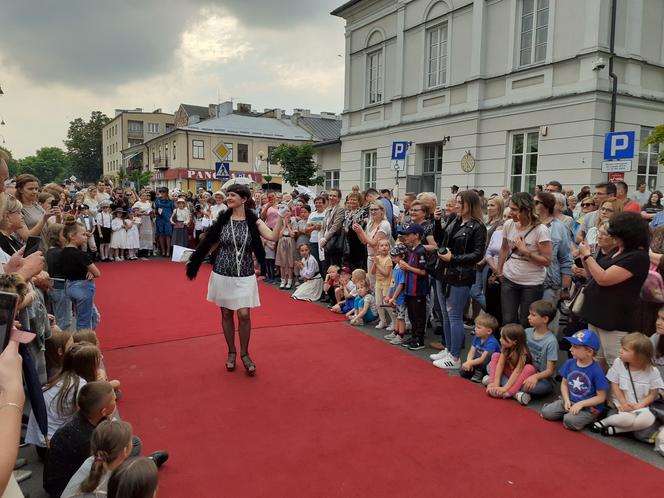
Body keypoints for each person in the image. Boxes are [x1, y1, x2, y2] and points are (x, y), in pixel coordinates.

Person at [186, 184, 283, 376]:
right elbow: (211, 244)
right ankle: (231, 352)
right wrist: (194, 257)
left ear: (244, 199)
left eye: (232, 195)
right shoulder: (222, 220)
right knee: (226, 314)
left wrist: (281, 219)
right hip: (222, 272)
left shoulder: (253, 220)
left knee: (244, 314)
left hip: (245, 273)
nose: (228, 198)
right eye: (227, 195)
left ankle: (245, 354)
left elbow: (272, 236)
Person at [576, 213, 650, 369]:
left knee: (616, 362)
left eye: (615, 232)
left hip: (614, 318)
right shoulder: (618, 250)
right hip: (596, 314)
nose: (611, 235)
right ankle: (601, 392)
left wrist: (588, 256)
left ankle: (617, 394)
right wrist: (584, 257)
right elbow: (593, 275)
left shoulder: (637, 257)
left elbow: (604, 278)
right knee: (596, 358)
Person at [432, 190, 487, 369]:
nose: (456, 206)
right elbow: (441, 240)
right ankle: (449, 348)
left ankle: (455, 357)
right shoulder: (455, 220)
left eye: (459, 203)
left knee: (454, 315)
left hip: (460, 274)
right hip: (444, 271)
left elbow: (478, 254)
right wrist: (436, 222)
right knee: (445, 313)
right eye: (456, 202)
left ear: (470, 205)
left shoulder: (478, 226)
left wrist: (453, 259)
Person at [25, 342, 101, 451]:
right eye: (97, 361)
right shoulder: (80, 385)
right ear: (88, 366)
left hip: (42, 443)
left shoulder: (61, 376)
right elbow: (91, 417)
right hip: (54, 447)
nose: (101, 359)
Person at [496, 192, 552, 327]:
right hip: (510, 279)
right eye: (510, 208)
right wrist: (499, 271)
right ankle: (510, 348)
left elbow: (547, 260)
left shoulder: (540, 229)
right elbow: (504, 249)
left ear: (526, 209)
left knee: (526, 322)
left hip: (532, 283)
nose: (511, 213)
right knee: (508, 320)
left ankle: (523, 348)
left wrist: (526, 253)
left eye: (515, 209)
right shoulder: (509, 224)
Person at [592, 333, 664, 436]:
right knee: (626, 420)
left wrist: (640, 405)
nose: (620, 351)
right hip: (622, 404)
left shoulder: (653, 371)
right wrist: (623, 402)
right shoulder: (618, 362)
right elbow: (615, 384)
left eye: (625, 349)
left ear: (639, 355)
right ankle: (603, 423)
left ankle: (615, 430)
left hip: (641, 406)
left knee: (648, 419)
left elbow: (652, 395)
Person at [541, 329, 608, 431]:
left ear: (589, 352)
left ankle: (584, 417)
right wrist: (567, 399)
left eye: (575, 347)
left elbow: (601, 398)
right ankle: (566, 410)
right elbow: (564, 384)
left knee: (569, 421)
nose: (571, 349)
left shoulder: (597, 371)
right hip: (569, 400)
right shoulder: (569, 363)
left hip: (588, 408)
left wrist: (581, 404)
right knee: (546, 413)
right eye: (571, 345)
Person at [61, 420, 134, 498]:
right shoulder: (121, 484)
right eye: (130, 440)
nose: (132, 441)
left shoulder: (91, 461)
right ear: (125, 450)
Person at [534, 192, 573, 315]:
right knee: (527, 319)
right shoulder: (529, 225)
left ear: (546, 206)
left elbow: (566, 258)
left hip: (549, 282)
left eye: (536, 203)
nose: (532, 205)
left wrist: (565, 288)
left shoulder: (560, 228)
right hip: (528, 280)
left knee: (546, 319)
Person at [62, 218, 102, 330]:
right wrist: (91, 271)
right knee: (84, 321)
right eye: (83, 234)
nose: (86, 236)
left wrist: (88, 270)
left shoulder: (64, 252)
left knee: (92, 316)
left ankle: (88, 338)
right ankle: (84, 342)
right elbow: (98, 273)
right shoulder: (81, 255)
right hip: (83, 288)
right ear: (72, 236)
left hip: (69, 286)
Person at [517, 300, 558, 405]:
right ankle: (517, 393)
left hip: (542, 380)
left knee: (528, 386)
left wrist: (535, 377)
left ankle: (511, 389)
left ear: (545, 319)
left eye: (533, 315)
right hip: (524, 371)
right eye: (529, 314)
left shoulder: (551, 342)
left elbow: (550, 371)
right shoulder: (527, 332)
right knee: (493, 367)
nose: (528, 317)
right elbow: (521, 356)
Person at [484, 324, 536, 403]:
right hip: (509, 372)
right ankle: (492, 383)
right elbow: (500, 365)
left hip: (520, 375)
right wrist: (495, 384)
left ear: (515, 341)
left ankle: (510, 392)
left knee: (530, 368)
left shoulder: (522, 352)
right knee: (495, 356)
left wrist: (505, 388)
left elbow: (518, 371)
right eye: (501, 337)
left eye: (503, 338)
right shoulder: (505, 347)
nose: (500, 340)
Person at [398, 224, 428, 351]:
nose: (406, 237)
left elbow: (423, 271)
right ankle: (414, 336)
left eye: (409, 234)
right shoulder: (412, 250)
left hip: (418, 289)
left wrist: (407, 267)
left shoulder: (421, 251)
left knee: (418, 315)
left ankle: (419, 340)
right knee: (411, 314)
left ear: (416, 236)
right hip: (410, 288)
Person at [15, 173, 60, 253]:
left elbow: (53, 230)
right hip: (30, 254)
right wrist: (44, 219)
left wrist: (58, 216)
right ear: (20, 190)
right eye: (30, 189)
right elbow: (27, 237)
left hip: (45, 250)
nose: (35, 191)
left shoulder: (36, 206)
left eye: (36, 189)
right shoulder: (17, 208)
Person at [353, 200, 391, 288]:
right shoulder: (371, 223)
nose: (373, 212)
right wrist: (358, 232)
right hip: (371, 257)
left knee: (381, 285)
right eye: (371, 210)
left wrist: (361, 231)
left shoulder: (384, 224)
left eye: (375, 209)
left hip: (382, 259)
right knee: (372, 284)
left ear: (382, 211)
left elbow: (374, 243)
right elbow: (364, 241)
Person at [457, 313, 500, 383]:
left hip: (487, 363)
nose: (475, 329)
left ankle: (480, 372)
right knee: (464, 373)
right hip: (477, 360)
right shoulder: (477, 337)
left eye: (478, 328)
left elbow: (483, 359)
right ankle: (474, 369)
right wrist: (469, 362)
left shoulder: (492, 342)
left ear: (489, 331)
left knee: (487, 356)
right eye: (476, 327)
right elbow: (471, 352)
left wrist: (470, 363)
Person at [383, 245, 407, 344]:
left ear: (402, 256)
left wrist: (393, 297)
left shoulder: (402, 268)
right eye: (392, 256)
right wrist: (389, 295)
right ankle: (396, 332)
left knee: (401, 317)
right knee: (397, 315)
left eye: (395, 256)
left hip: (400, 297)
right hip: (395, 297)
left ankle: (400, 335)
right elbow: (393, 282)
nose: (392, 258)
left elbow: (401, 285)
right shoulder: (396, 267)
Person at [342, 192, 368, 271]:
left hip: (357, 243)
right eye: (350, 200)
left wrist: (349, 228)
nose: (351, 201)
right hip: (347, 242)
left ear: (359, 201)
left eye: (354, 200)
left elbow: (360, 227)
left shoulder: (362, 213)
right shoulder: (347, 213)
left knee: (356, 266)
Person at [319, 189, 345, 267]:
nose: (331, 197)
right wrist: (322, 238)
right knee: (328, 267)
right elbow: (324, 227)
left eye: (334, 196)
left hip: (334, 242)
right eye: (330, 195)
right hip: (326, 243)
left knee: (335, 267)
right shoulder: (328, 210)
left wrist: (325, 239)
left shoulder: (340, 209)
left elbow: (335, 226)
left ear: (339, 198)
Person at [371, 239, 393, 329]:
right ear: (378, 249)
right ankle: (383, 321)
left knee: (386, 303)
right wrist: (375, 263)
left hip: (386, 284)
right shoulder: (378, 258)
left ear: (389, 248)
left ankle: (394, 322)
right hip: (378, 283)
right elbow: (372, 272)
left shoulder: (388, 259)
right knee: (378, 303)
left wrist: (377, 264)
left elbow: (386, 273)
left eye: (386, 245)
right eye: (382, 246)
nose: (384, 247)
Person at [275, 206, 297, 290]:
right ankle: (283, 281)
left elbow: (292, 235)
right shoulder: (280, 222)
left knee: (290, 262)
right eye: (285, 211)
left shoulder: (294, 221)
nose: (287, 213)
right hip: (282, 241)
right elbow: (279, 235)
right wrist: (284, 226)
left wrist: (288, 225)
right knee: (282, 262)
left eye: (288, 211)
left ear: (291, 212)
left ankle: (290, 281)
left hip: (290, 241)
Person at [154, 188, 175, 257]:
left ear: (167, 193)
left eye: (163, 192)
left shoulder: (171, 201)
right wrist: (157, 212)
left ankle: (168, 251)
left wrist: (172, 219)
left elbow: (173, 211)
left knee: (168, 235)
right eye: (161, 192)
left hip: (168, 219)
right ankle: (163, 251)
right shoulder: (157, 200)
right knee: (160, 234)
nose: (162, 193)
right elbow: (155, 209)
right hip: (160, 219)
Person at [132, 192, 154, 258]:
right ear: (140, 196)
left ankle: (146, 251)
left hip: (147, 221)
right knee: (140, 235)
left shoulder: (148, 203)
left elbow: (150, 211)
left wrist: (151, 213)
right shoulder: (137, 203)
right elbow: (134, 212)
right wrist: (142, 213)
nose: (145, 197)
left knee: (147, 236)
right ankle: (139, 252)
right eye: (143, 196)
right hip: (140, 220)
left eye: (146, 196)